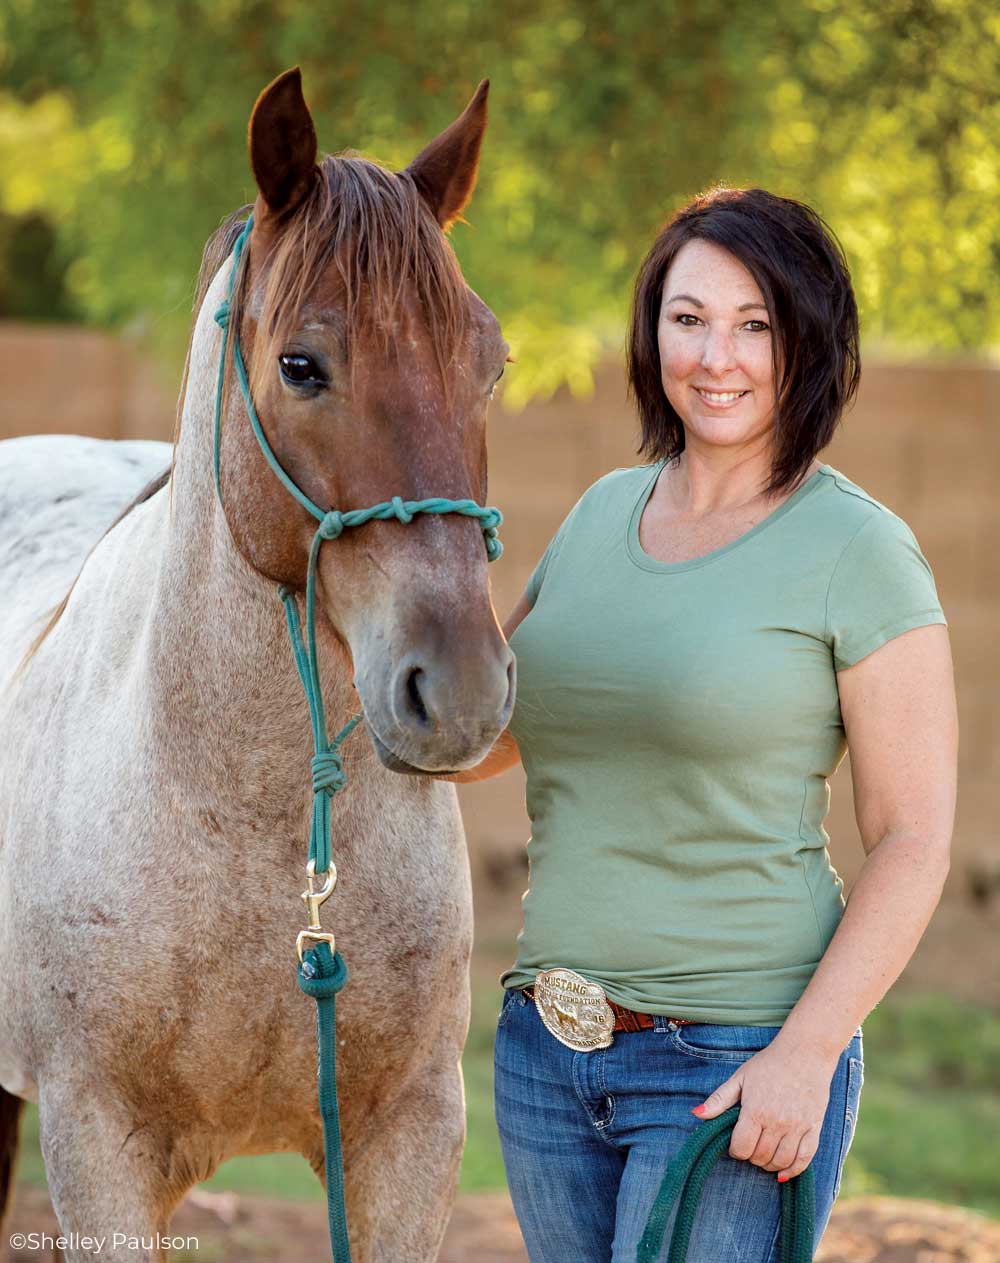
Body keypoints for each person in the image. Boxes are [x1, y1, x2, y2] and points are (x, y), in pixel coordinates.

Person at [445, 186, 957, 1262]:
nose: (714, 356)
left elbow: (912, 838)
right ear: (652, 336)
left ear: (806, 341)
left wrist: (806, 1055)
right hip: (546, 1055)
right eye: (687, 320)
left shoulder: (858, 550)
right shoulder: (597, 516)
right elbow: (482, 740)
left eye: (753, 324)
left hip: (731, 1060)